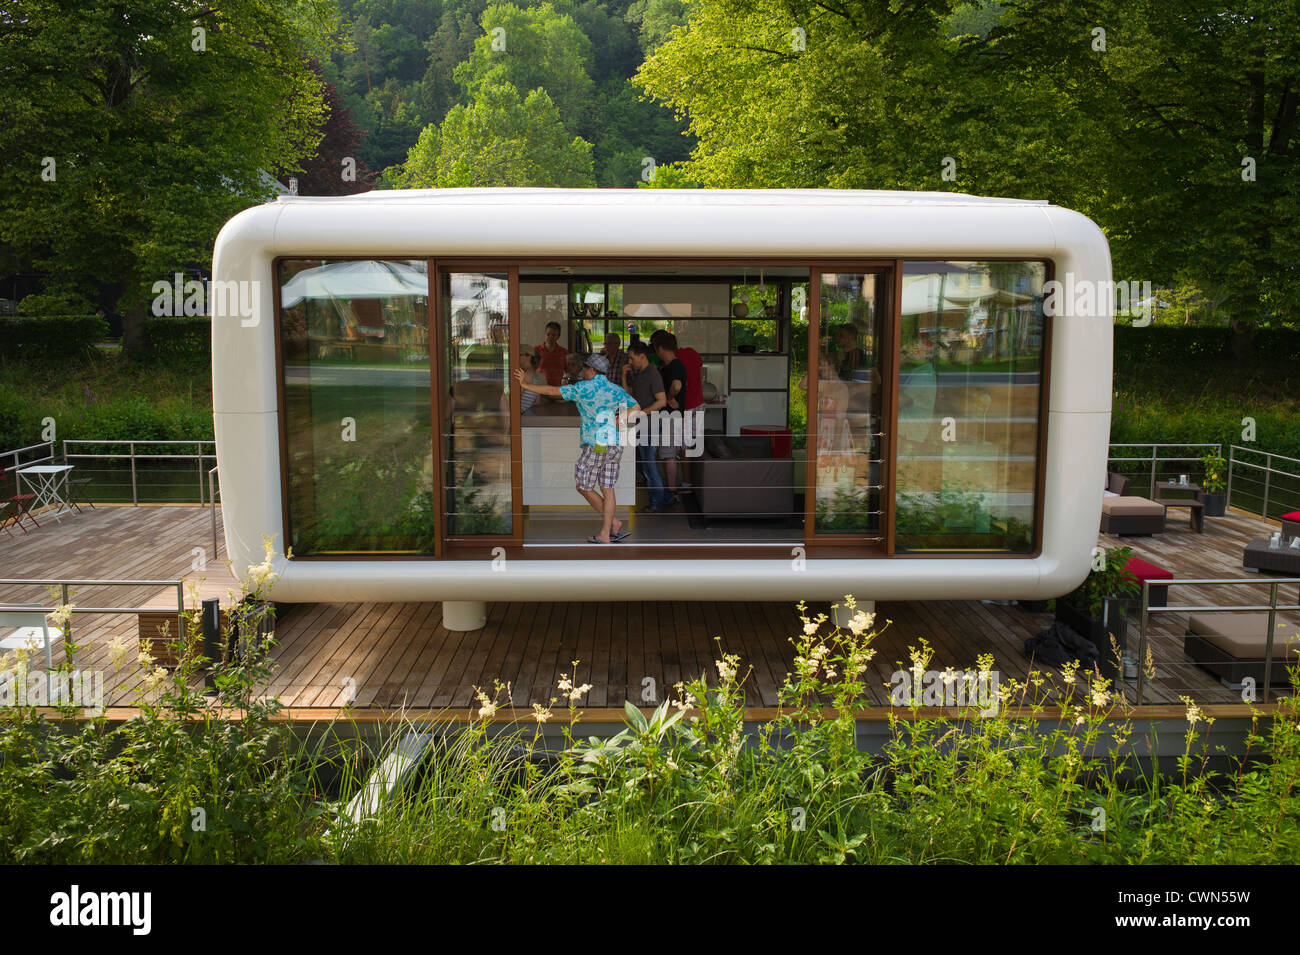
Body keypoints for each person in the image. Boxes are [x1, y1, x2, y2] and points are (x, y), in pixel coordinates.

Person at [515, 352, 640, 543]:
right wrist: (617, 420)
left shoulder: (584, 388)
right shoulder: (615, 389)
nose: (583, 371)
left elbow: (552, 391)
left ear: (591, 369)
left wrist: (525, 385)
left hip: (598, 443)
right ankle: (608, 530)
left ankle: (611, 524)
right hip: (614, 443)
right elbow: (636, 407)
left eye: (584, 368)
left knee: (583, 484)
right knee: (608, 487)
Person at [623, 342, 671, 512]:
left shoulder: (652, 374)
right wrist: (624, 376)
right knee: (644, 465)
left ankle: (656, 504)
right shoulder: (639, 373)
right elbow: (629, 397)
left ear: (642, 356)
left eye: (631, 357)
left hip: (649, 426)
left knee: (648, 465)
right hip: (640, 425)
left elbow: (662, 401)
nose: (629, 360)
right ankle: (667, 497)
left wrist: (642, 413)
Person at [651, 330, 688, 500]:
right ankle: (670, 489)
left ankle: (672, 491)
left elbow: (677, 385)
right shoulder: (667, 366)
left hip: (671, 417)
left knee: (669, 454)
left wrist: (670, 397)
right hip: (670, 416)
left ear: (659, 348)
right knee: (668, 453)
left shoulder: (675, 365)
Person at [533, 321, 568, 387]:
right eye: (548, 334)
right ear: (545, 334)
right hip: (540, 389)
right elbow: (530, 370)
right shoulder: (536, 350)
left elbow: (568, 371)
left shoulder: (564, 352)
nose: (550, 337)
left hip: (557, 390)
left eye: (554, 335)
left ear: (558, 336)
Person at [516, 347, 547, 414]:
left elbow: (515, 400)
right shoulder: (536, 378)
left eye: (519, 354)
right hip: (526, 415)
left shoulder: (526, 375)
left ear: (528, 357)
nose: (516, 357)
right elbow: (537, 402)